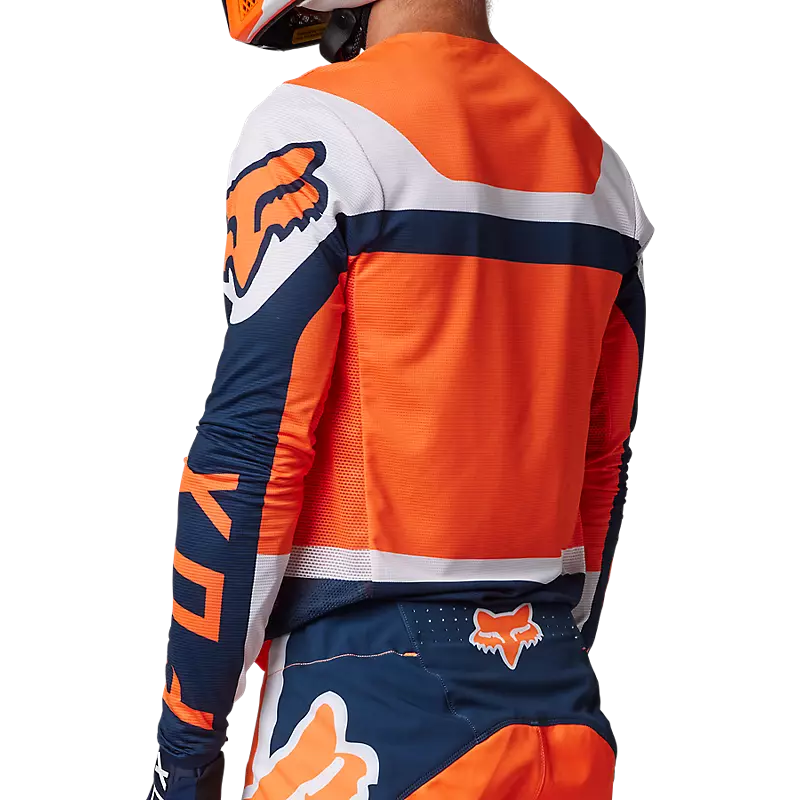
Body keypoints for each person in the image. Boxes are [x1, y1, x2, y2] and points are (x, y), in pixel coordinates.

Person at [147, 1, 654, 797]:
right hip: (558, 711)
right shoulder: (597, 165)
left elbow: (250, 450)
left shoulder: (318, 129)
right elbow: (603, 464)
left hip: (367, 714)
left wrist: (184, 749)